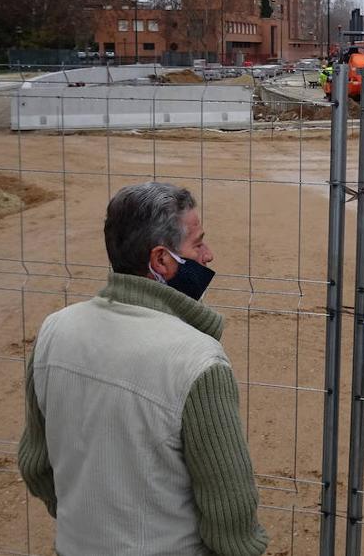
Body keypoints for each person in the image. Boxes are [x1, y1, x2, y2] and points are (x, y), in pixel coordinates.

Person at [18, 182, 268, 556]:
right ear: (161, 261)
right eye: (198, 243)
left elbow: (36, 465)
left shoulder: (54, 330)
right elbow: (229, 511)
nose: (209, 255)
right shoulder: (198, 359)